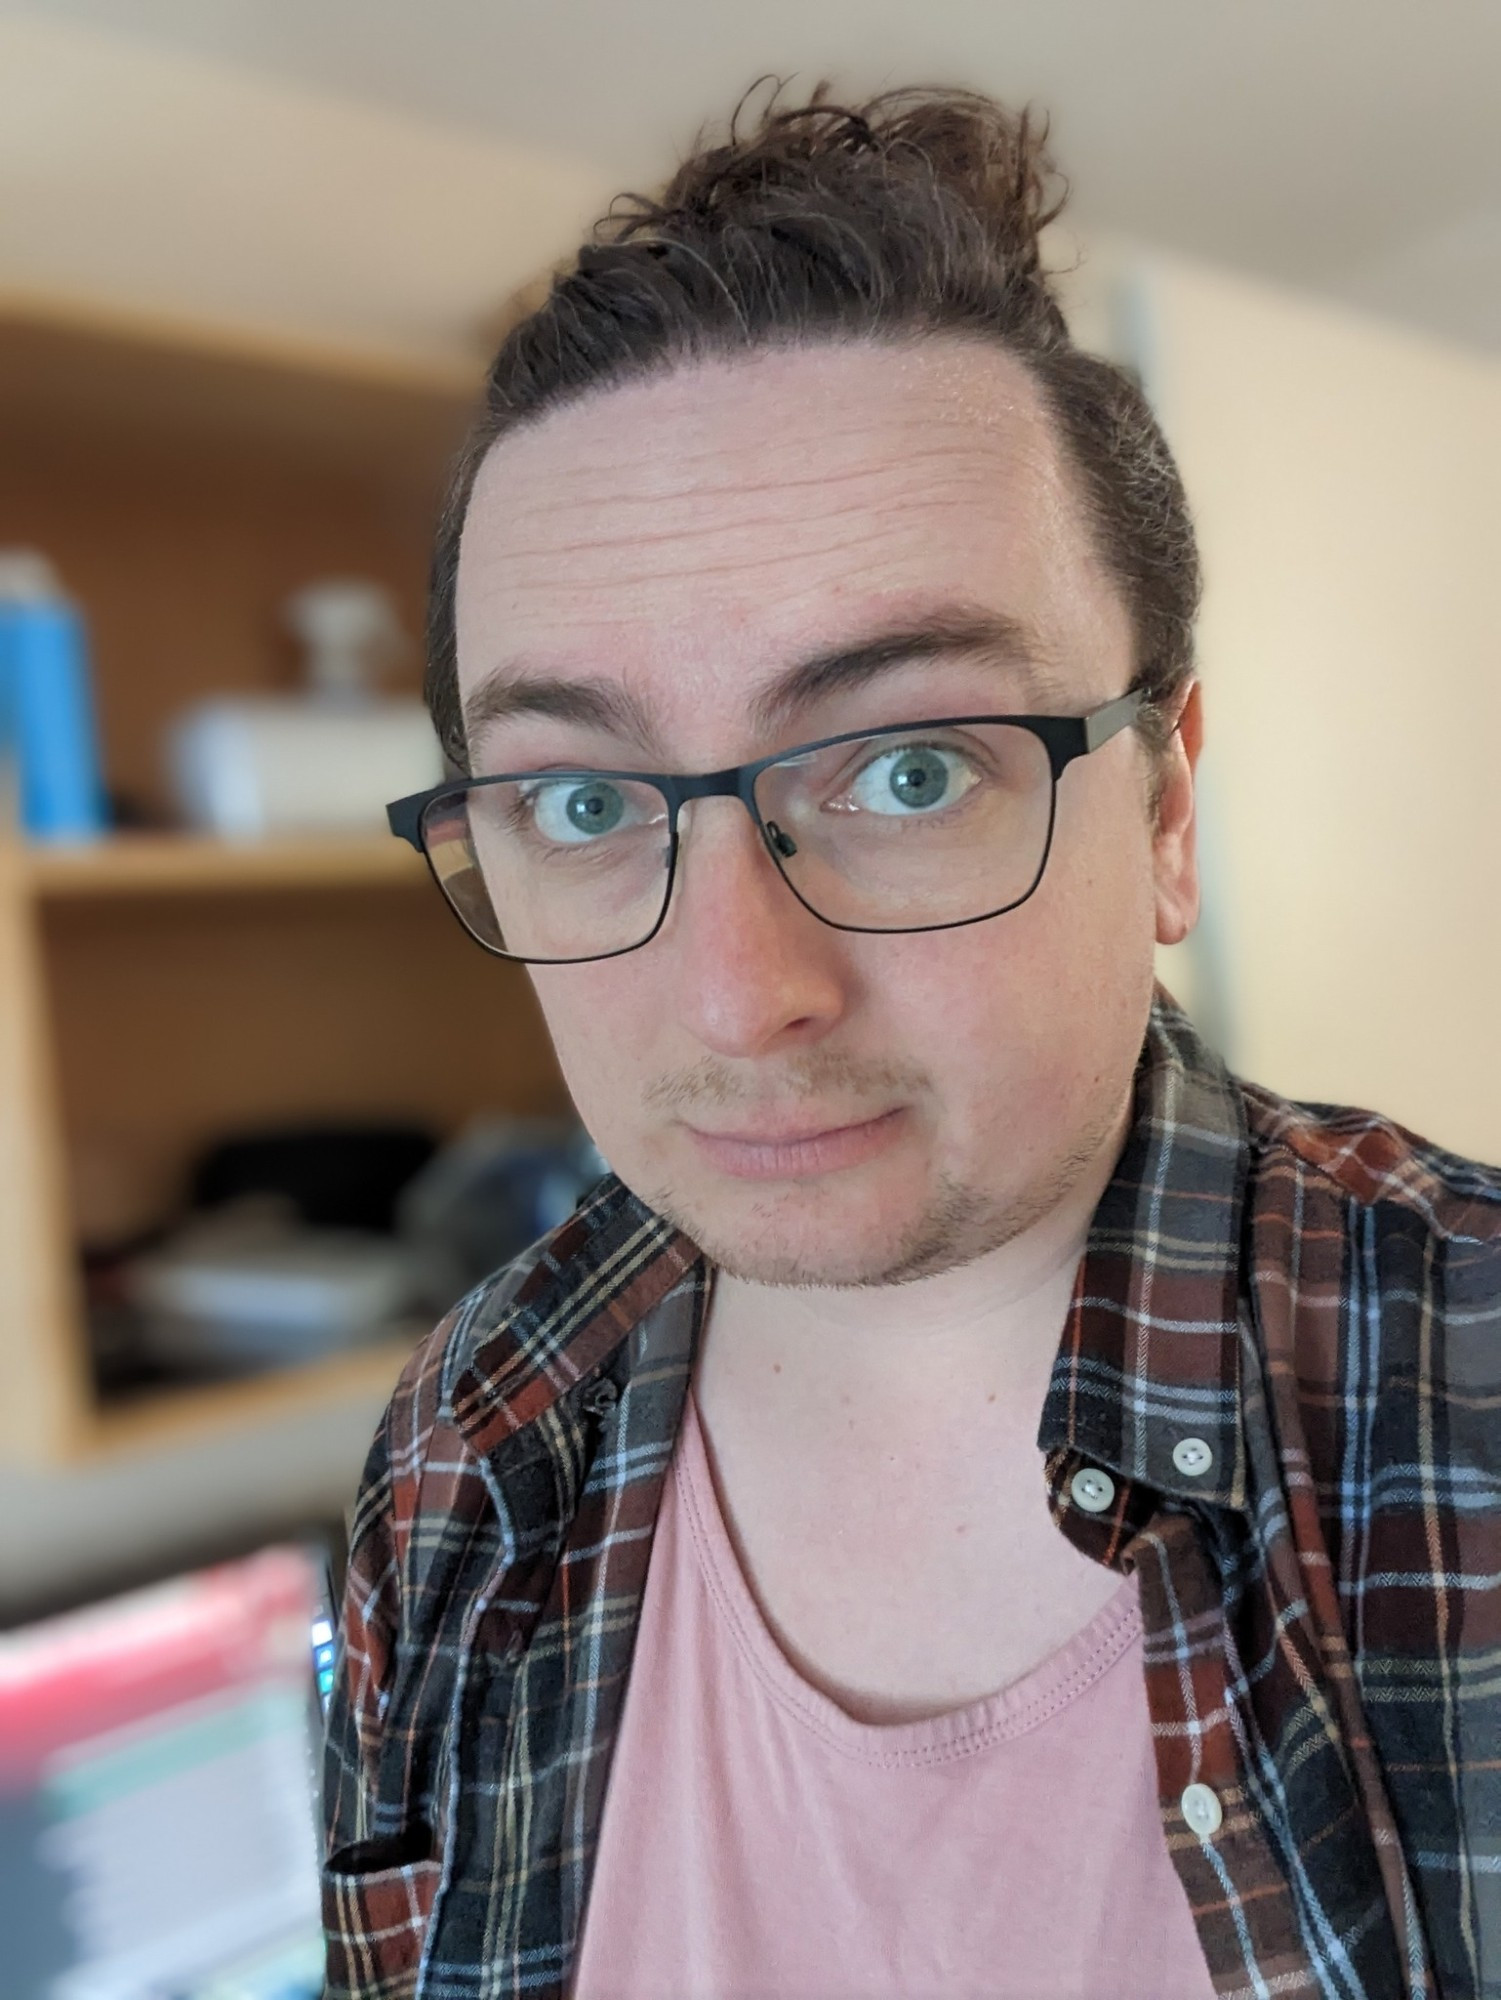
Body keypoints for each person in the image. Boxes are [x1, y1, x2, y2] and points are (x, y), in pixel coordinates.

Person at [322, 82, 1501, 2000]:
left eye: (908, 762)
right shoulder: (464, 1461)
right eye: (582, 803)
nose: (735, 993)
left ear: (1168, 807)